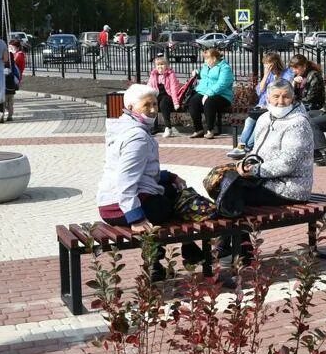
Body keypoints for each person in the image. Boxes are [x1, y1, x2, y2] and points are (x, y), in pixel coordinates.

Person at [96, 83, 205, 281]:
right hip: (119, 207)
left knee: (173, 190)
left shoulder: (124, 127)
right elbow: (125, 179)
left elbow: (141, 170)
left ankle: (175, 255)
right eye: (147, 105)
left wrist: (169, 176)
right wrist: (135, 218)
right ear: (131, 107)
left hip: (110, 202)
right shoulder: (137, 136)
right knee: (175, 203)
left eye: (155, 104)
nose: (154, 110)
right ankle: (173, 255)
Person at [215, 79, 314, 279]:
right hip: (265, 180)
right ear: (268, 97)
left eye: (285, 97)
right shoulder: (264, 118)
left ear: (293, 98)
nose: (280, 101)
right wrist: (244, 165)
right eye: (275, 96)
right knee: (224, 182)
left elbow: (288, 163)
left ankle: (238, 252)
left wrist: (255, 171)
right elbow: (254, 150)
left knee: (234, 193)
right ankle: (231, 248)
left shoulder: (298, 123)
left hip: (289, 187)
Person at [227, 52, 290, 159]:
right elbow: (259, 91)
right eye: (265, 64)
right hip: (262, 107)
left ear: (275, 63)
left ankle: (245, 148)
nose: (266, 66)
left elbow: (282, 89)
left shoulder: (286, 73)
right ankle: (242, 147)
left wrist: (274, 78)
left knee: (259, 125)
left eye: (268, 63)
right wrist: (265, 75)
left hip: (276, 107)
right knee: (249, 121)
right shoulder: (269, 75)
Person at [185, 48, 235, 139]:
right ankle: (198, 129)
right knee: (193, 102)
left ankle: (210, 130)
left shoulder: (225, 68)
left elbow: (222, 84)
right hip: (204, 92)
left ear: (214, 58)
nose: (205, 61)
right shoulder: (206, 66)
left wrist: (209, 93)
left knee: (209, 102)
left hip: (222, 95)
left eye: (207, 58)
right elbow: (205, 76)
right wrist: (197, 73)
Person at [147, 54, 185, 138]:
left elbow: (173, 89)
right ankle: (152, 125)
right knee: (152, 103)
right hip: (157, 94)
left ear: (166, 66)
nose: (160, 66)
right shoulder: (153, 74)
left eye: (162, 64)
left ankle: (168, 127)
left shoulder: (170, 74)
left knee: (163, 104)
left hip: (168, 95)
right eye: (158, 65)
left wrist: (176, 103)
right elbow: (149, 87)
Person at [4, 38, 26, 121]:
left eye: (11, 47)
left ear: (15, 47)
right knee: (10, 100)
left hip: (13, 78)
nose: (10, 48)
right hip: (13, 78)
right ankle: (10, 114)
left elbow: (13, 65)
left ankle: (8, 113)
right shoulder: (16, 54)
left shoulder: (18, 55)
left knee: (8, 99)